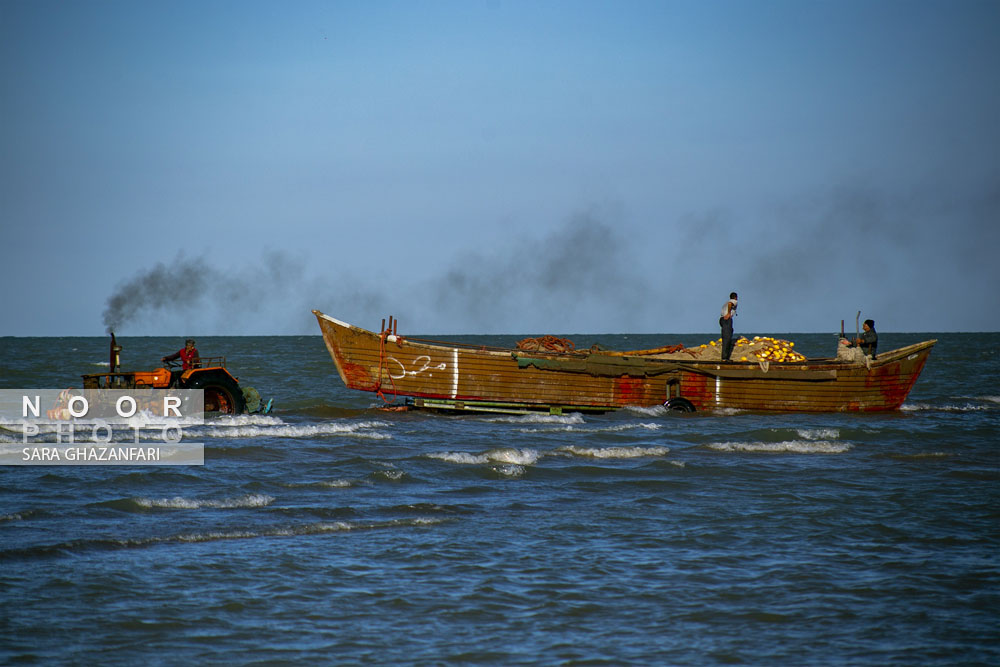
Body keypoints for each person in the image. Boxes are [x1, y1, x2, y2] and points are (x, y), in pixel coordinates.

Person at [720, 292, 738, 361]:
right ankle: (725, 358)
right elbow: (730, 304)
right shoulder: (734, 301)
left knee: (727, 336)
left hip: (722, 319)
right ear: (735, 297)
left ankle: (725, 356)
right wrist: (728, 313)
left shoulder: (726, 302)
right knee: (727, 338)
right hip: (726, 319)